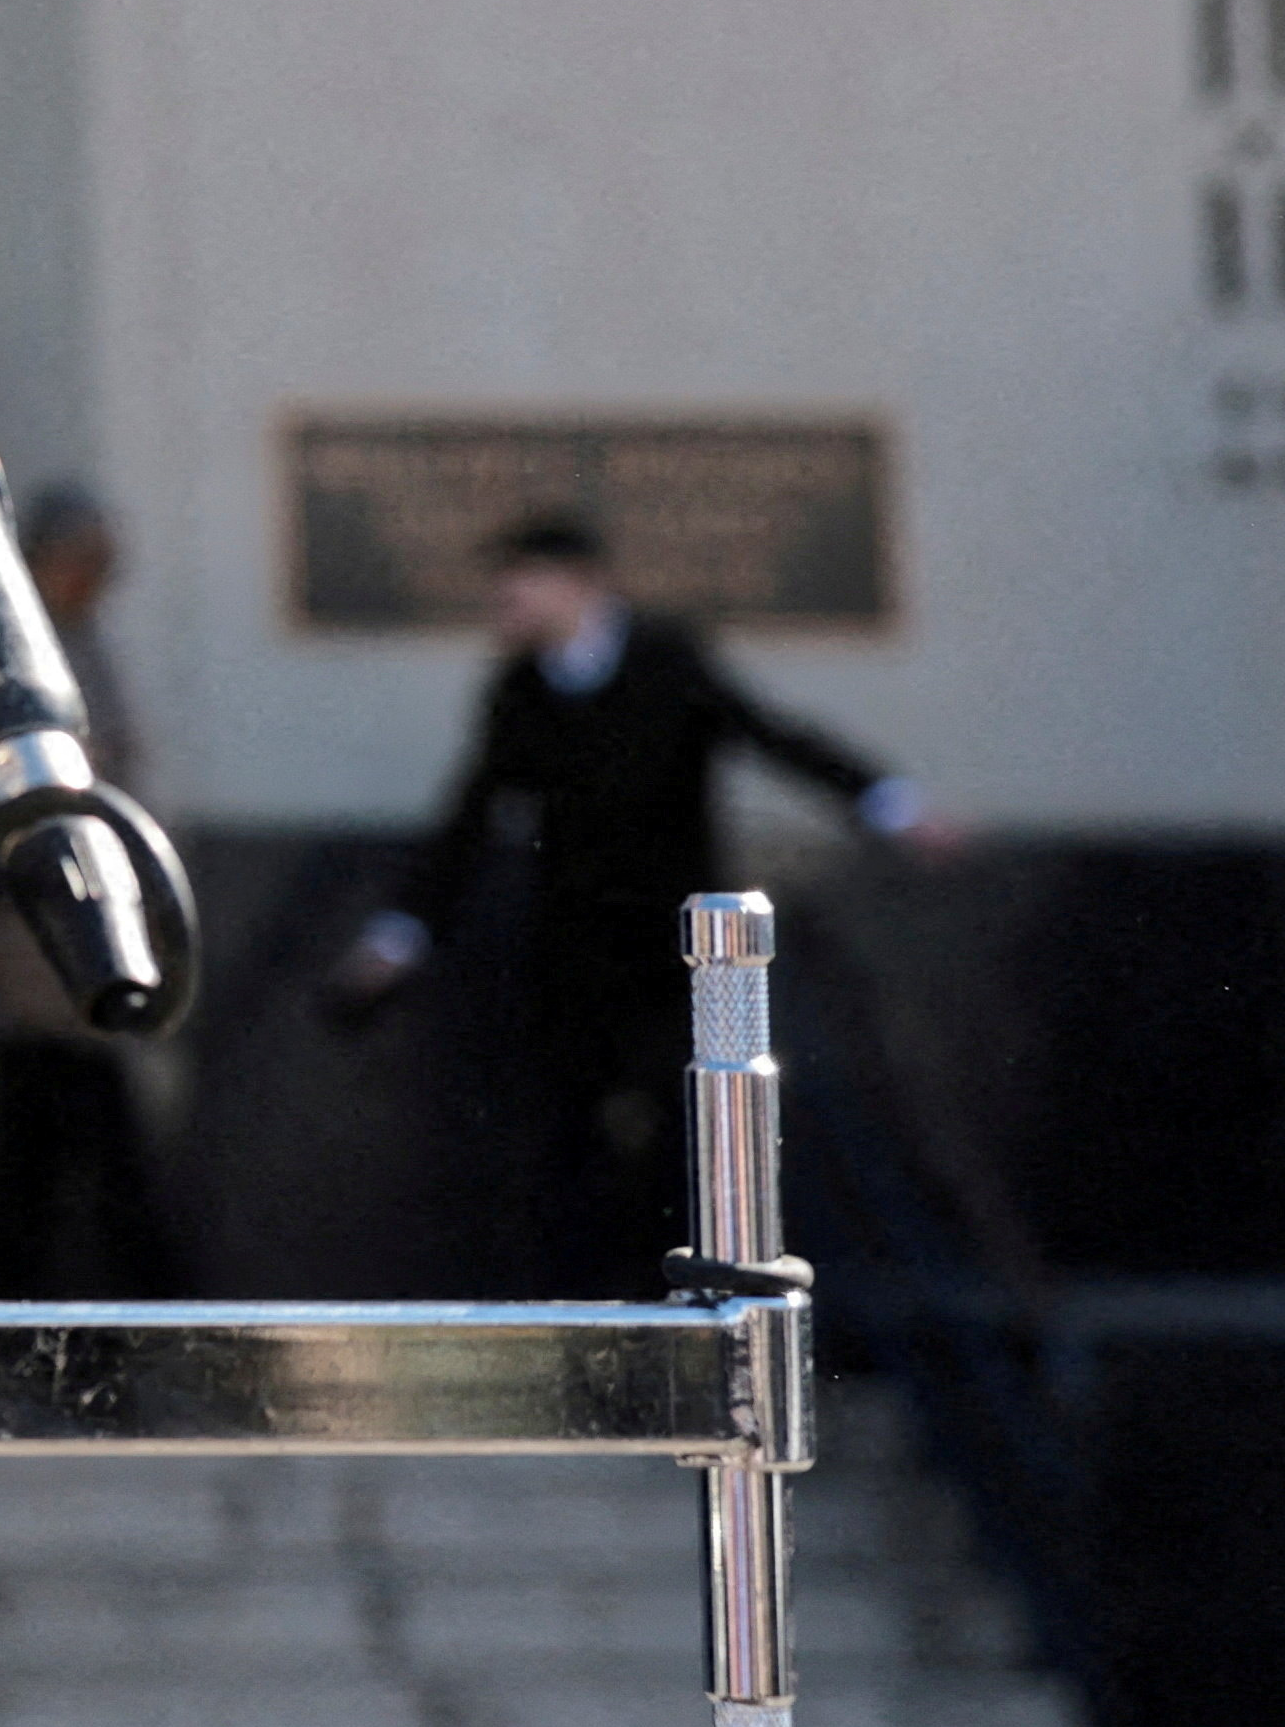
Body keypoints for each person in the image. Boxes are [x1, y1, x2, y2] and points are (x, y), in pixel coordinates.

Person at [321, 507, 943, 1287]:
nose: (504, 605)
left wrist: (888, 802)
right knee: (567, 1138)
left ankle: (693, 1293)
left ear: (577, 584)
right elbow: (470, 821)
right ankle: (583, 1302)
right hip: (572, 955)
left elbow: (771, 734)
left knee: (681, 1130)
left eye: (520, 585)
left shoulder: (664, 662)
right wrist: (400, 934)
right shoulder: (521, 691)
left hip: (671, 953)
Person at [0, 486, 184, 1297]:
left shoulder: (88, 643)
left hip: (93, 934)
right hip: (24, 943)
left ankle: (135, 1316)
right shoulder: (2, 653)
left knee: (109, 1145)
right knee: (26, 1154)